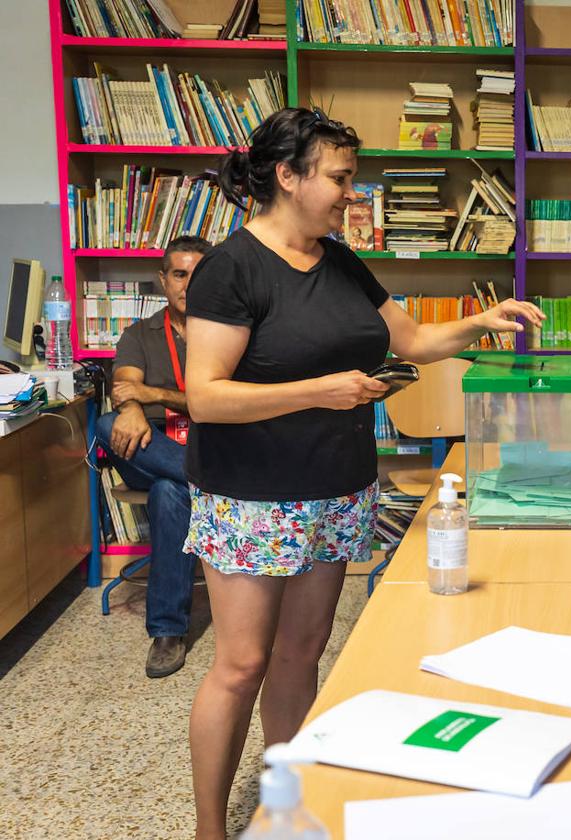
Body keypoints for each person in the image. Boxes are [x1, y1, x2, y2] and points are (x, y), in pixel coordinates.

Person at [182, 107, 543, 840]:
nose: (352, 192)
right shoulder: (232, 268)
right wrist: (321, 390)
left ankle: (283, 808)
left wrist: (480, 322)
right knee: (242, 664)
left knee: (299, 655)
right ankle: (209, 828)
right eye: (340, 178)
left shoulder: (338, 257)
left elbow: (409, 337)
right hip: (253, 498)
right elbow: (205, 395)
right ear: (288, 176)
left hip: (336, 485)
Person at [95, 235, 210, 678]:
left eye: (199, 275)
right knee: (106, 426)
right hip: (151, 446)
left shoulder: (226, 332)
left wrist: (154, 395)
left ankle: (167, 632)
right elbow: (125, 384)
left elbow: (221, 403)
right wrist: (130, 408)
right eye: (179, 274)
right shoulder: (140, 333)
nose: (188, 284)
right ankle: (206, 478)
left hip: (205, 444)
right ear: (164, 281)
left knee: (169, 493)